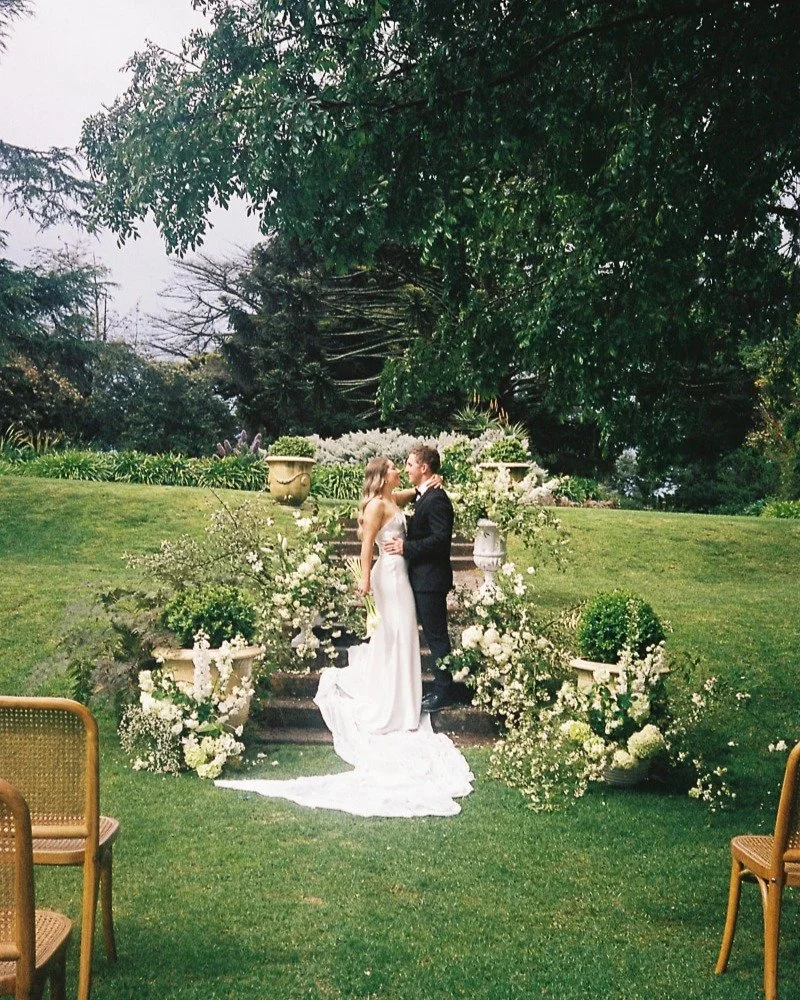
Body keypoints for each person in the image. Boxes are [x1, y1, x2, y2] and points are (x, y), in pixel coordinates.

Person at [215, 455, 473, 818]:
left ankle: (401, 698)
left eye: (407, 464)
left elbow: (411, 496)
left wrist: (428, 487)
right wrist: (364, 580)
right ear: (383, 476)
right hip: (389, 576)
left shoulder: (391, 498)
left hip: (404, 576)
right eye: (395, 467)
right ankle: (392, 703)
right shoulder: (374, 507)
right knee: (394, 634)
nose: (401, 468)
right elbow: (368, 545)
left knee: (400, 638)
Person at [383, 445, 455, 711]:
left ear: (424, 468)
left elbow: (440, 540)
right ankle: (437, 685)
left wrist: (406, 547)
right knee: (431, 635)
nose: (407, 468)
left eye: (411, 464)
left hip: (431, 581)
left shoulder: (437, 499)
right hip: (421, 578)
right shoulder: (425, 494)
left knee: (436, 637)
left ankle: (443, 691)